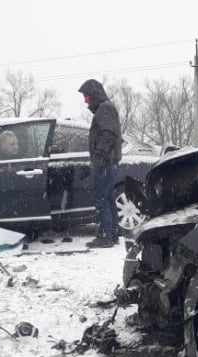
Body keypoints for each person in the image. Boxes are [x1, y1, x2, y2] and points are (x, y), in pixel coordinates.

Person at [79, 79, 122, 248]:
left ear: (95, 95)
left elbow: (109, 134)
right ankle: (112, 233)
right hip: (108, 161)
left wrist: (98, 156)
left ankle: (106, 235)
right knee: (109, 197)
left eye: (87, 96)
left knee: (102, 199)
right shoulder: (107, 108)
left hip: (105, 162)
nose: (85, 101)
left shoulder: (104, 109)